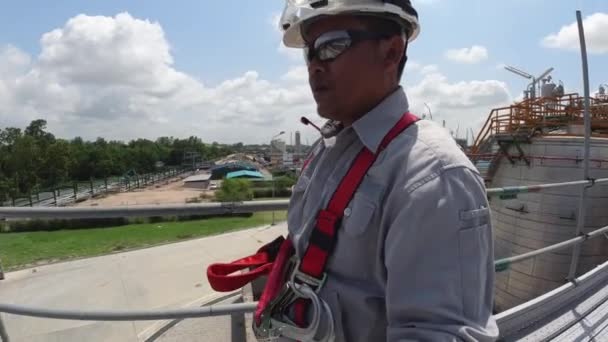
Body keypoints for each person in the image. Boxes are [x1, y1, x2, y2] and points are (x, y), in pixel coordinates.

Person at [208, 1, 498, 340]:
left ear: (391, 52)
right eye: (309, 53)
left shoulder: (433, 177)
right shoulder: (330, 147)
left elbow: (441, 332)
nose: (314, 66)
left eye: (331, 45)